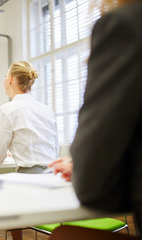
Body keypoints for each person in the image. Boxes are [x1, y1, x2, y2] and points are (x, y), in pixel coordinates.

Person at [49, 0, 142, 238]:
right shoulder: (46, 110)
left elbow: (94, 188)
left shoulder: (126, 24)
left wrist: (85, 166)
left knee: (64, 235)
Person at [0, 61, 59, 240]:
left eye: (4, 76)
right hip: (53, 182)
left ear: (10, 79)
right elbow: (54, 150)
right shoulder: (47, 110)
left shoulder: (7, 110)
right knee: (6, 194)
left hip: (28, 183)